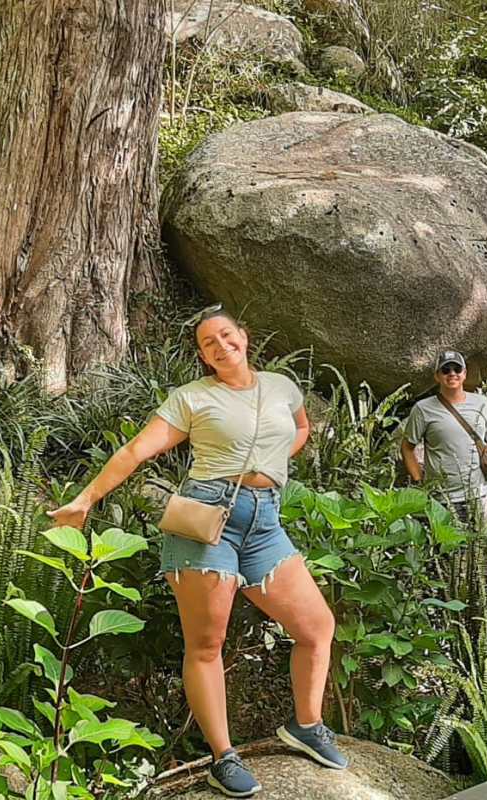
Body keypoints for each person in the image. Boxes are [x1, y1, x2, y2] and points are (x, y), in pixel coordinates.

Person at [48, 306, 347, 798]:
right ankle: (222, 758)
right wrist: (84, 500)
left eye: (226, 335)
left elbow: (300, 429)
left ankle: (306, 725)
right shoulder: (192, 398)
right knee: (207, 645)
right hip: (206, 520)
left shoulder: (280, 386)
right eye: (208, 342)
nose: (220, 345)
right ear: (203, 356)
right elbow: (136, 451)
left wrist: (266, 467)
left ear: (243, 337)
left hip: (265, 521)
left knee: (317, 628)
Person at [401, 350, 487, 522]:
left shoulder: (482, 404)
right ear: (437, 376)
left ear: (464, 374)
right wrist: (419, 481)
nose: (452, 373)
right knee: (445, 548)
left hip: (480, 495)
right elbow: (407, 447)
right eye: (446, 370)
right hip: (442, 500)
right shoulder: (423, 409)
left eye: (457, 369)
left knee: (476, 547)